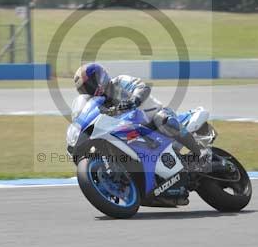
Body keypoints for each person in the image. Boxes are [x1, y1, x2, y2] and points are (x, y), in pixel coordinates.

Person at [73, 62, 212, 171]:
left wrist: (134, 100)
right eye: (85, 89)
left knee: (163, 120)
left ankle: (200, 152)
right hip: (133, 130)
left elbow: (142, 87)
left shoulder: (119, 82)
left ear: (100, 77)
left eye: (90, 84)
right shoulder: (100, 106)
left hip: (152, 118)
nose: (90, 89)